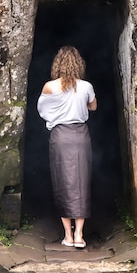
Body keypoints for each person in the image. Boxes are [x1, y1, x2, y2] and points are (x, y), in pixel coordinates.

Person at [37, 46, 97, 248]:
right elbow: (94, 106)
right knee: (81, 183)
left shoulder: (49, 87)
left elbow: (42, 110)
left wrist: (58, 113)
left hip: (60, 137)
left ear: (58, 65)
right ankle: (80, 235)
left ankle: (68, 236)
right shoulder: (86, 86)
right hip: (81, 136)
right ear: (78, 64)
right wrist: (79, 105)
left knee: (62, 183)